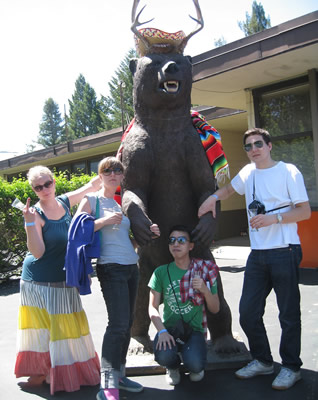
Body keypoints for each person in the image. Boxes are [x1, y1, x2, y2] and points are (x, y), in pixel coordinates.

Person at [198, 127, 311, 390]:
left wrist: (275, 218)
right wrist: (211, 200)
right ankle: (263, 360)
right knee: (248, 313)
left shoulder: (288, 171)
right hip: (258, 255)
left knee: (288, 314)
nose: (253, 150)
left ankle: (292, 367)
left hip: (285, 250)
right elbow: (227, 191)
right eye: (248, 146)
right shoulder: (248, 173)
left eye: (258, 144)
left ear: (269, 146)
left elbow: (304, 211)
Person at [76, 156, 160, 400]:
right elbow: (77, 230)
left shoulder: (119, 204)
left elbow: (127, 240)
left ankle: (120, 375)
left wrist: (148, 236)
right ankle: (108, 382)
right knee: (117, 325)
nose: (113, 173)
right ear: (100, 175)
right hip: (110, 268)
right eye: (107, 170)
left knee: (127, 326)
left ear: (122, 176)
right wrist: (102, 221)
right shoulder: (91, 200)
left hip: (130, 267)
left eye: (117, 170)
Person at [14, 166, 101, 395]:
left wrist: (113, 164)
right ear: (33, 189)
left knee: (66, 328)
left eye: (47, 184)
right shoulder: (35, 213)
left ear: (53, 182)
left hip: (64, 278)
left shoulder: (64, 202)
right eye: (38, 187)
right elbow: (38, 252)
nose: (44, 189)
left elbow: (92, 186)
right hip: (39, 281)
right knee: (45, 330)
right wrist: (29, 223)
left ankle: (62, 371)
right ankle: (42, 373)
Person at [148, 225, 220, 386]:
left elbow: (215, 308)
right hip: (170, 329)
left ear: (190, 246)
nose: (176, 244)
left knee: (195, 366)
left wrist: (205, 290)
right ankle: (172, 366)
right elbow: (152, 307)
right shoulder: (161, 272)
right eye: (172, 241)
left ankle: (193, 360)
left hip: (194, 329)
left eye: (181, 240)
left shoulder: (204, 271)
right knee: (164, 356)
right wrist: (162, 331)